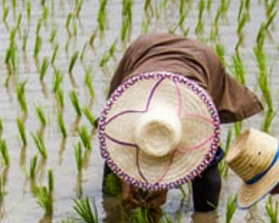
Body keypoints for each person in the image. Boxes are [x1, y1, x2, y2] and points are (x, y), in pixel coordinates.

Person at [102, 33, 263, 213]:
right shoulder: (127, 102)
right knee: (115, 143)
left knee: (206, 155)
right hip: (146, 50)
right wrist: (125, 179)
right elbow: (115, 146)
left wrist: (164, 183)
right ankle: (112, 209)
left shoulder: (197, 107)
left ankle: (206, 216)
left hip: (199, 59)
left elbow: (192, 146)